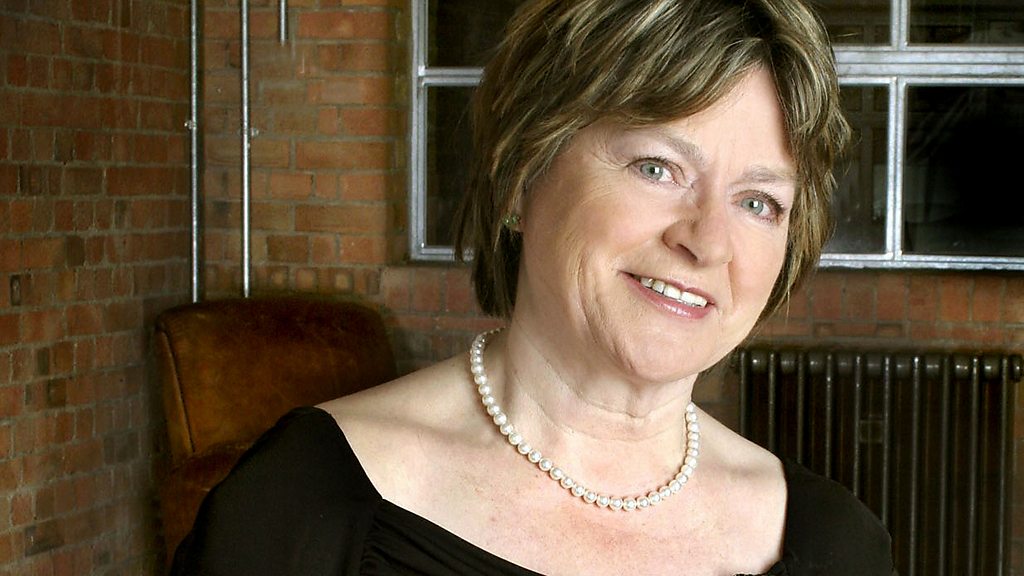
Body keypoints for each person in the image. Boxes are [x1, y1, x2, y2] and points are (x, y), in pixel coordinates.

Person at [172, 0, 894, 574]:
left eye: (758, 203)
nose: (707, 242)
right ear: (523, 173)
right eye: (656, 168)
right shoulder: (302, 505)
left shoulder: (836, 544)